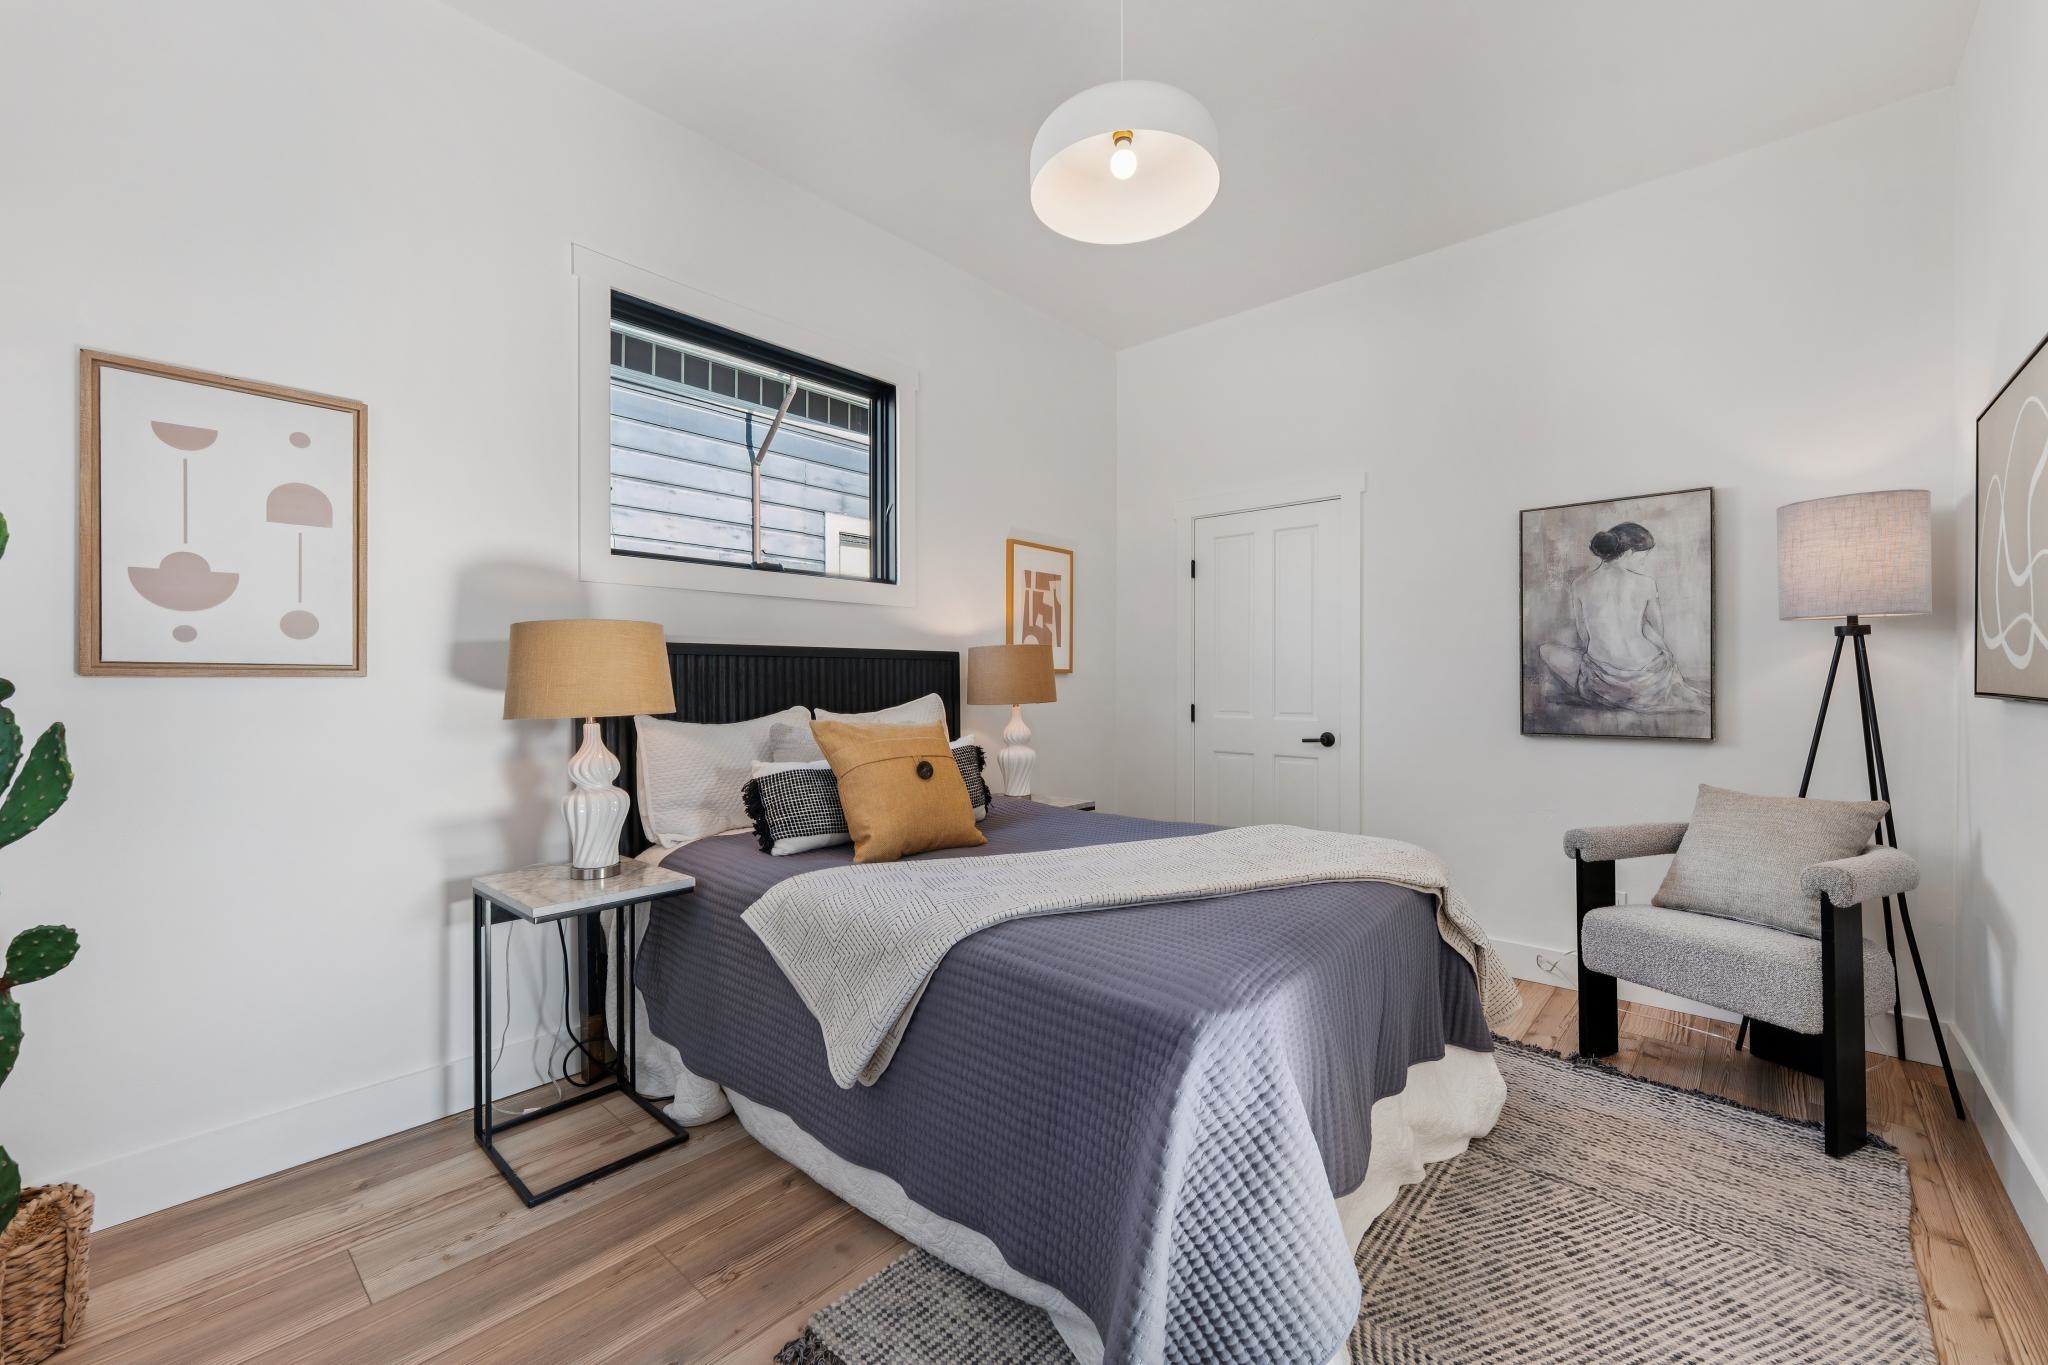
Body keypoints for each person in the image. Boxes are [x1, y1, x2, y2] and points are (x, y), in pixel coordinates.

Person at [1538, 521, 1707, 713]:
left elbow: (1584, 636)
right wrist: (1667, 658)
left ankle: (1614, 693)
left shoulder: (1579, 584)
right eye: (1642, 558)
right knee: (1660, 658)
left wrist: (1603, 657)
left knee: (1546, 650)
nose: (1643, 563)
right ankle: (1657, 687)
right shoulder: (1646, 583)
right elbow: (1656, 630)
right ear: (1628, 553)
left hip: (1602, 682)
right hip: (1651, 679)